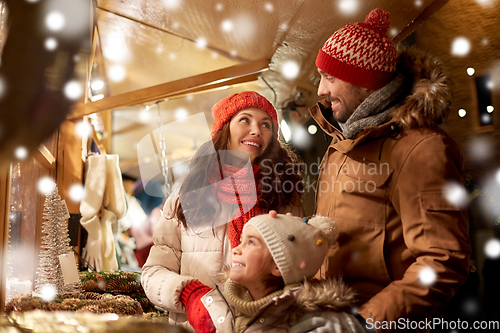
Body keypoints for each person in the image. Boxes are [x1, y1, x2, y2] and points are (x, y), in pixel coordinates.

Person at [308, 8, 471, 331]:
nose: (320, 92)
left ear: (365, 83)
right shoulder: (343, 141)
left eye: (330, 77)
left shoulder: (421, 148)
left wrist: (363, 322)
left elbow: (441, 261)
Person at [141, 91, 304, 328]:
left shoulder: (285, 198)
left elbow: (297, 276)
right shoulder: (184, 198)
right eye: (245, 120)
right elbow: (154, 271)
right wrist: (189, 294)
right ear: (224, 129)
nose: (256, 130)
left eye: (265, 124)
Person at [180, 211, 364, 333]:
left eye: (251, 242)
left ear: (278, 265)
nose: (236, 249)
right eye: (241, 240)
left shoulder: (317, 326)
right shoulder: (225, 306)